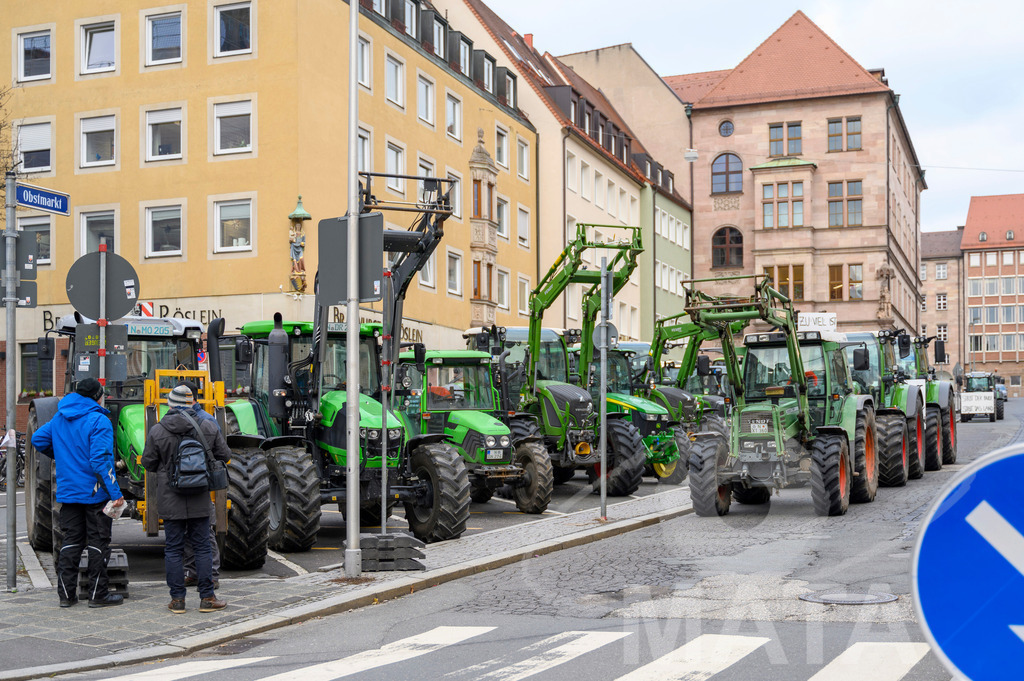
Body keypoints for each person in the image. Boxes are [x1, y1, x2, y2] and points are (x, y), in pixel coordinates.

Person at [31, 377, 125, 608]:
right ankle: (97, 595)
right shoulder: (98, 420)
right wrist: (115, 494)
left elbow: (37, 439)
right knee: (97, 543)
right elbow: (101, 462)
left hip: (68, 492)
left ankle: (66, 596)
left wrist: (62, 456)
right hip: (94, 494)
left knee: (71, 543)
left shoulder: (60, 417)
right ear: (97, 396)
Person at [141, 384, 229, 613]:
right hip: (199, 496)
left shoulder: (158, 430)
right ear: (192, 403)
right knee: (202, 547)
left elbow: (148, 463)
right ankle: (207, 598)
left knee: (173, 549)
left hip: (170, 498)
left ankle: (178, 600)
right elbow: (224, 455)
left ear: (169, 405)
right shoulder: (207, 425)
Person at [179, 382, 221, 589]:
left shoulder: (169, 422)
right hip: (202, 484)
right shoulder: (209, 420)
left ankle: (193, 572)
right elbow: (223, 452)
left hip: (179, 485)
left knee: (189, 531)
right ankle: (209, 575)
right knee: (205, 532)